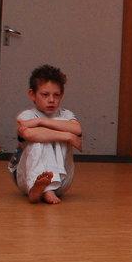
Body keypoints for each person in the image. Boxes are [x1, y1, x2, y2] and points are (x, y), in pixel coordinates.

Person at [9, 64, 82, 204]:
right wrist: (67, 136)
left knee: (50, 131)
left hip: (62, 180)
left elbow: (77, 129)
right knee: (40, 139)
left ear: (62, 95)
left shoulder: (66, 114)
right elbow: (29, 135)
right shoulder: (27, 116)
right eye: (45, 95)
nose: (51, 100)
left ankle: (49, 187)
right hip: (27, 179)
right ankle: (41, 190)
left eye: (56, 95)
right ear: (32, 94)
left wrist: (41, 122)